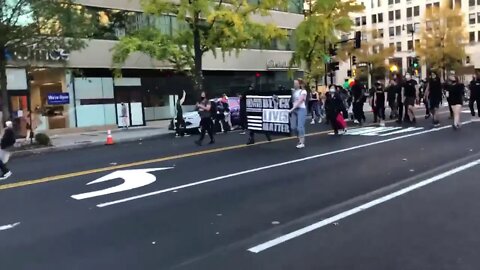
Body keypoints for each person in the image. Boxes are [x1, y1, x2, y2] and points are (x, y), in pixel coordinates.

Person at [290, 79, 307, 149]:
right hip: (294, 110)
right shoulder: (293, 91)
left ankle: (301, 142)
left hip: (301, 109)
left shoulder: (303, 91)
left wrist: (292, 109)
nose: (295, 84)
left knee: (300, 126)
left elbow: (300, 101)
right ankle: (299, 137)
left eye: (296, 83)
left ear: (299, 84)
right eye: (294, 83)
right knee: (293, 127)